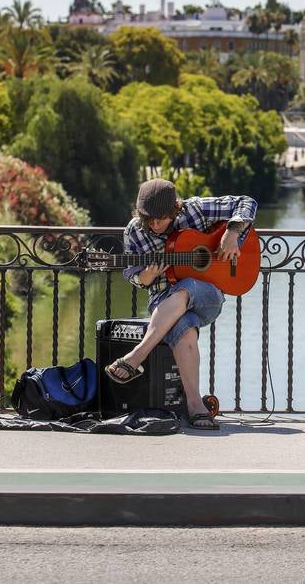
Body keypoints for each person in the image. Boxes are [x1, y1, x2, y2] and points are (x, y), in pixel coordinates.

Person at [105, 179, 258, 430]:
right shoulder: (134, 231)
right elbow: (132, 274)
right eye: (148, 220)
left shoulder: (195, 210)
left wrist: (231, 233)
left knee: (187, 286)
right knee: (184, 326)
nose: (154, 225)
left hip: (208, 295)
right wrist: (147, 276)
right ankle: (196, 406)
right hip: (163, 301)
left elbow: (247, 202)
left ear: (175, 210)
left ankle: (137, 356)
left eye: (161, 219)